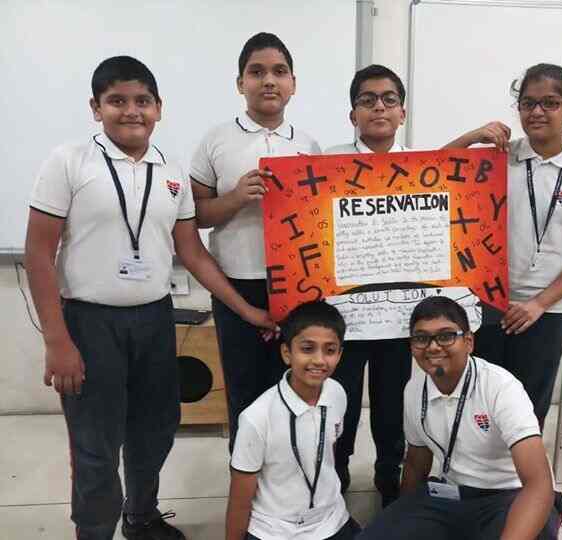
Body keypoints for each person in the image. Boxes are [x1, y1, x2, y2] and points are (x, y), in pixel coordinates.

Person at [25, 55, 275, 540]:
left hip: (155, 320)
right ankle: (94, 531)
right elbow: (37, 253)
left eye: (142, 100)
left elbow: (193, 253)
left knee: (157, 428)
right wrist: (57, 340)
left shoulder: (171, 172)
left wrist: (246, 310)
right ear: (96, 108)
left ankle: (141, 517)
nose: (131, 111)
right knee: (96, 444)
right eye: (116, 101)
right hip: (89, 322)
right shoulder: (69, 162)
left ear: (159, 107)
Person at [444, 63, 562, 429]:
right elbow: (429, 171)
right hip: (487, 303)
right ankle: (477, 464)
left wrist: (539, 304)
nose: (537, 112)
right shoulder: (498, 158)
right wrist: (472, 136)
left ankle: (520, 467)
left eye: (550, 103)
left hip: (545, 312)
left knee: (528, 410)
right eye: (528, 103)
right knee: (478, 402)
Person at [190, 33, 322, 451]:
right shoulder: (216, 140)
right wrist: (234, 199)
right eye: (256, 72)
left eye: (279, 72)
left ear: (293, 84)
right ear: (240, 83)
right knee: (245, 391)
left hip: (298, 286)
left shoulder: (308, 145)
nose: (268, 81)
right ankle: (246, 477)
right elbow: (193, 216)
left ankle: (292, 472)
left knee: (296, 388)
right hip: (238, 284)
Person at [357, 296, 558, 540]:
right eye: (421, 338)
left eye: (446, 336)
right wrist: (404, 517)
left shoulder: (500, 387)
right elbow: (416, 463)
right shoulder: (414, 389)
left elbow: (538, 484)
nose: (433, 347)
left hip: (509, 495)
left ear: (469, 342)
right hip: (451, 494)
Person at [324, 64, 412, 506]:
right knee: (340, 397)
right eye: (367, 99)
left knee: (392, 401)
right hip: (345, 311)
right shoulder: (325, 164)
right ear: (352, 113)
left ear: (402, 112)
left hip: (400, 310)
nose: (379, 107)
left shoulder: (422, 166)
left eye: (389, 99)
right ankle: (335, 472)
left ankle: (388, 473)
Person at [226, 301, 361, 540]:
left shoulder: (337, 392)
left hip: (330, 519)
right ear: (286, 353)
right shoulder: (256, 418)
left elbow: (328, 450)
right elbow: (239, 500)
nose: (319, 360)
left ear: (340, 354)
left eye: (330, 350)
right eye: (307, 349)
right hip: (274, 529)